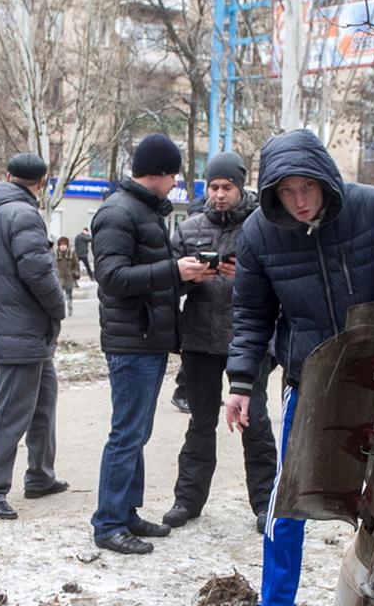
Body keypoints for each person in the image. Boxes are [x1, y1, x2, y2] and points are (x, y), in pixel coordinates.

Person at [223, 129, 374, 606]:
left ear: (326, 178)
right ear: (272, 193)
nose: (301, 199)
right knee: (288, 496)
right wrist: (241, 383)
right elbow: (252, 314)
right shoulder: (260, 233)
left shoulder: (372, 209)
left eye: (308, 185)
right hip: (310, 376)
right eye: (287, 190)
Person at [91, 133, 199, 555]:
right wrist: (175, 271)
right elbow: (113, 279)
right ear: (158, 172)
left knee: (137, 432)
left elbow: (149, 276)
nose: (175, 182)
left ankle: (126, 511)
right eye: (173, 174)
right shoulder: (118, 212)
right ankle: (109, 523)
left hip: (147, 337)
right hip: (131, 340)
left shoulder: (144, 210)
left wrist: (185, 277)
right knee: (126, 433)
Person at [165, 151, 271, 530]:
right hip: (199, 339)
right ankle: (187, 500)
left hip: (247, 340)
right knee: (200, 422)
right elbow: (167, 282)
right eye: (213, 187)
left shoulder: (262, 226)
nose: (220, 194)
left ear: (241, 187)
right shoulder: (190, 227)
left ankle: (265, 503)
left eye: (227, 187)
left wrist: (246, 275)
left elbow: (278, 281)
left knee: (254, 421)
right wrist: (186, 276)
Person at [0, 153, 68, 520]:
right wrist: (58, 307)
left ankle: (40, 475)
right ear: (42, 183)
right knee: (11, 411)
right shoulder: (23, 214)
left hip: (18, 327)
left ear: (8, 175)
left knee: (43, 402)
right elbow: (38, 272)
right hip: (23, 328)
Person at [55, 236, 80, 315]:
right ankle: (61, 311)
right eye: (61, 245)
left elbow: (76, 264)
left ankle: (70, 308)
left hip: (69, 278)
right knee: (59, 296)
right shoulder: (55, 254)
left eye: (64, 245)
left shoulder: (71, 253)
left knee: (69, 294)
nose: (63, 247)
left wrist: (75, 272)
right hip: (59, 279)